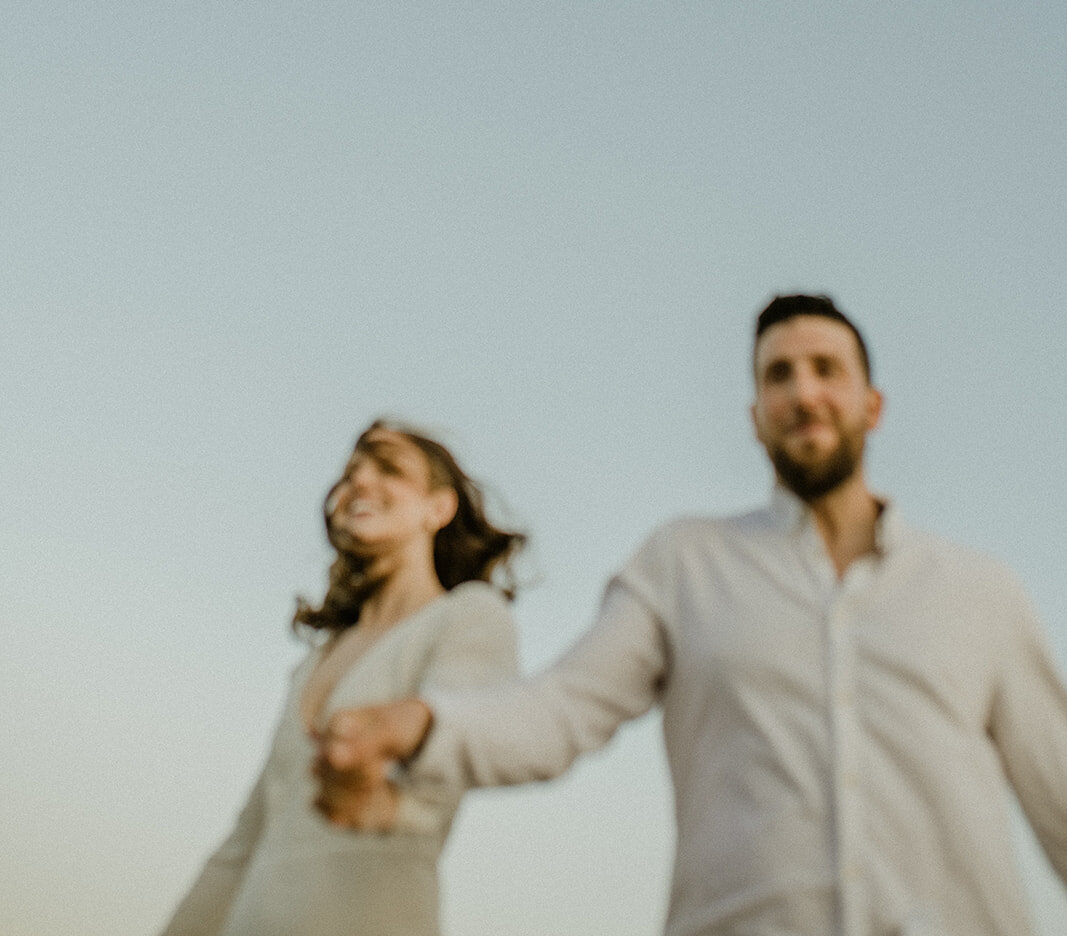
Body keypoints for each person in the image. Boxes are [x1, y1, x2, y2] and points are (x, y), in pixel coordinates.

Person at [314, 295, 1067, 936]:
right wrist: (419, 724)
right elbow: (560, 711)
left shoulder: (978, 591)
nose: (804, 393)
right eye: (779, 375)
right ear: (754, 417)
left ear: (871, 405)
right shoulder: (684, 565)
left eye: (826, 371)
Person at [160, 421, 524, 936]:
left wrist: (379, 794)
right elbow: (243, 844)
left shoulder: (468, 617)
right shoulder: (316, 660)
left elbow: (450, 769)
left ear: (438, 509)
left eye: (389, 469)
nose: (360, 483)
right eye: (351, 472)